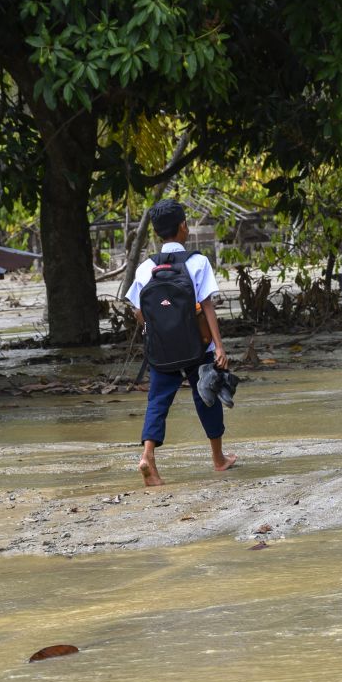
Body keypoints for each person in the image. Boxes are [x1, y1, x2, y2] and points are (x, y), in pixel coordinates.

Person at [126, 199, 237, 485]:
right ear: (183, 227)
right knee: (206, 396)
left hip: (161, 349)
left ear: (156, 233)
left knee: (158, 401)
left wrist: (156, 329)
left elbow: (138, 311)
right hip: (196, 346)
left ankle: (148, 456)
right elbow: (208, 306)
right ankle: (218, 459)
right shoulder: (197, 262)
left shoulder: (144, 268)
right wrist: (219, 347)